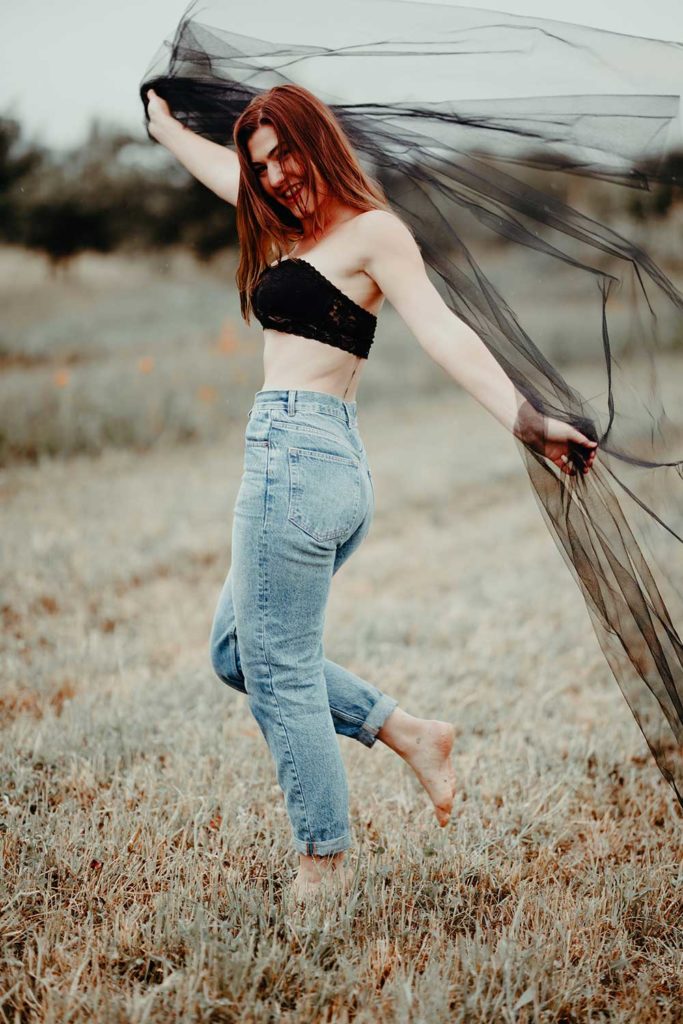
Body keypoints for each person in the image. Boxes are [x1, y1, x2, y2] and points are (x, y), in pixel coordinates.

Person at [145, 81, 597, 903]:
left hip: (301, 458)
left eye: (285, 154)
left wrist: (527, 421)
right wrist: (165, 127)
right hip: (304, 460)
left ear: (318, 142)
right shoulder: (286, 227)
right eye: (262, 164)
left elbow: (442, 329)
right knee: (235, 652)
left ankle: (321, 866)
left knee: (276, 671)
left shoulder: (371, 233)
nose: (275, 176)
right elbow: (225, 175)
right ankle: (409, 732)